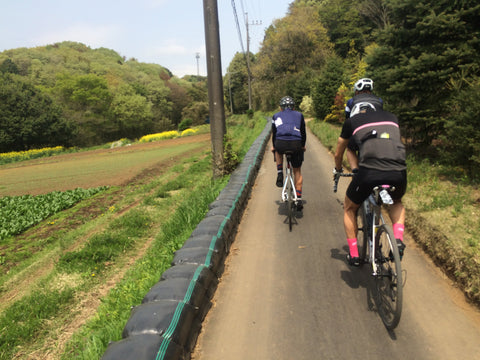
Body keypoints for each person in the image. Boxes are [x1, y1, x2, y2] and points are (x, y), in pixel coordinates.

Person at [334, 105, 407, 266]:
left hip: (369, 172)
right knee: (397, 202)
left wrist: (339, 169)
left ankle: (354, 255)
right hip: (398, 170)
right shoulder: (392, 116)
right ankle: (398, 240)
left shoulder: (352, 122)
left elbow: (340, 152)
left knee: (349, 208)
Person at [271, 96, 306, 211]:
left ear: (281, 108)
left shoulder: (276, 116)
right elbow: (303, 133)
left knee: (277, 149)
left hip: (280, 143)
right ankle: (299, 199)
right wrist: (302, 146)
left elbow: (274, 134)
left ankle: (280, 172)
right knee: (297, 171)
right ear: (294, 107)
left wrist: (273, 147)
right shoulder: (299, 115)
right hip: (296, 144)